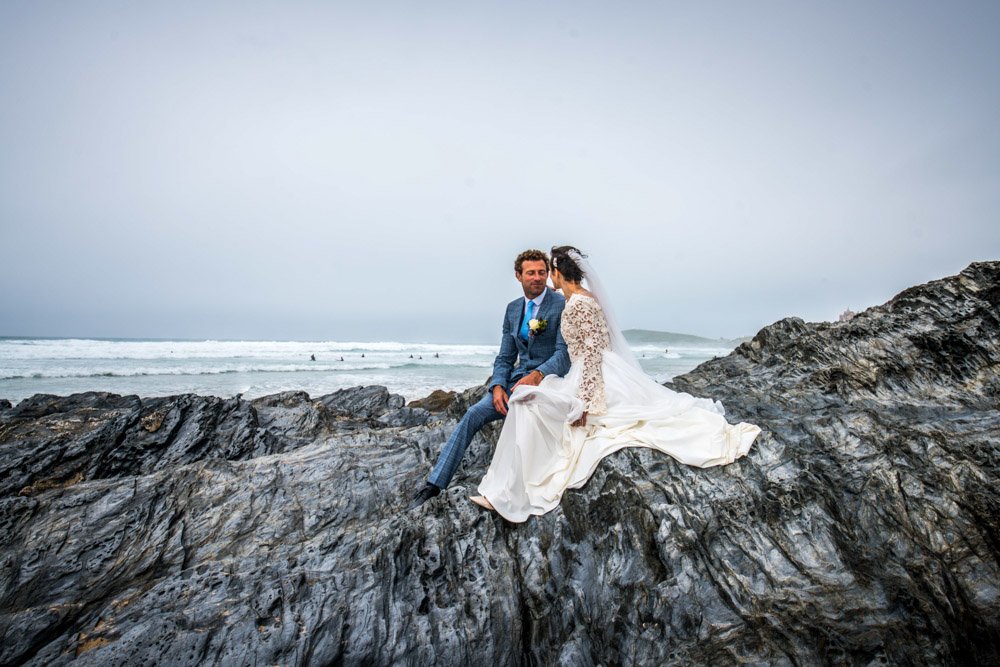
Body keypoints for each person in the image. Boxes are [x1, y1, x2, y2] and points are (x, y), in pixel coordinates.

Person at [470, 246, 761, 522]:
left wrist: (585, 401)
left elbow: (594, 352)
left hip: (593, 376)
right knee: (527, 402)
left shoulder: (579, 304)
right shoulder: (578, 300)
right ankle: (505, 488)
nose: (546, 279)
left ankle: (510, 491)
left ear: (557, 272)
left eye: (549, 272)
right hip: (587, 373)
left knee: (527, 405)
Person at [407, 249, 572, 509]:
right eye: (531, 273)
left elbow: (564, 355)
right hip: (512, 382)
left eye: (542, 272)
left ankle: (509, 492)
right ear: (518, 276)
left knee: (520, 417)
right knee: (474, 413)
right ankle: (434, 484)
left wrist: (537, 375)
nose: (537, 278)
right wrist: (496, 387)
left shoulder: (561, 304)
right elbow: (505, 357)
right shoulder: (513, 309)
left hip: (547, 381)